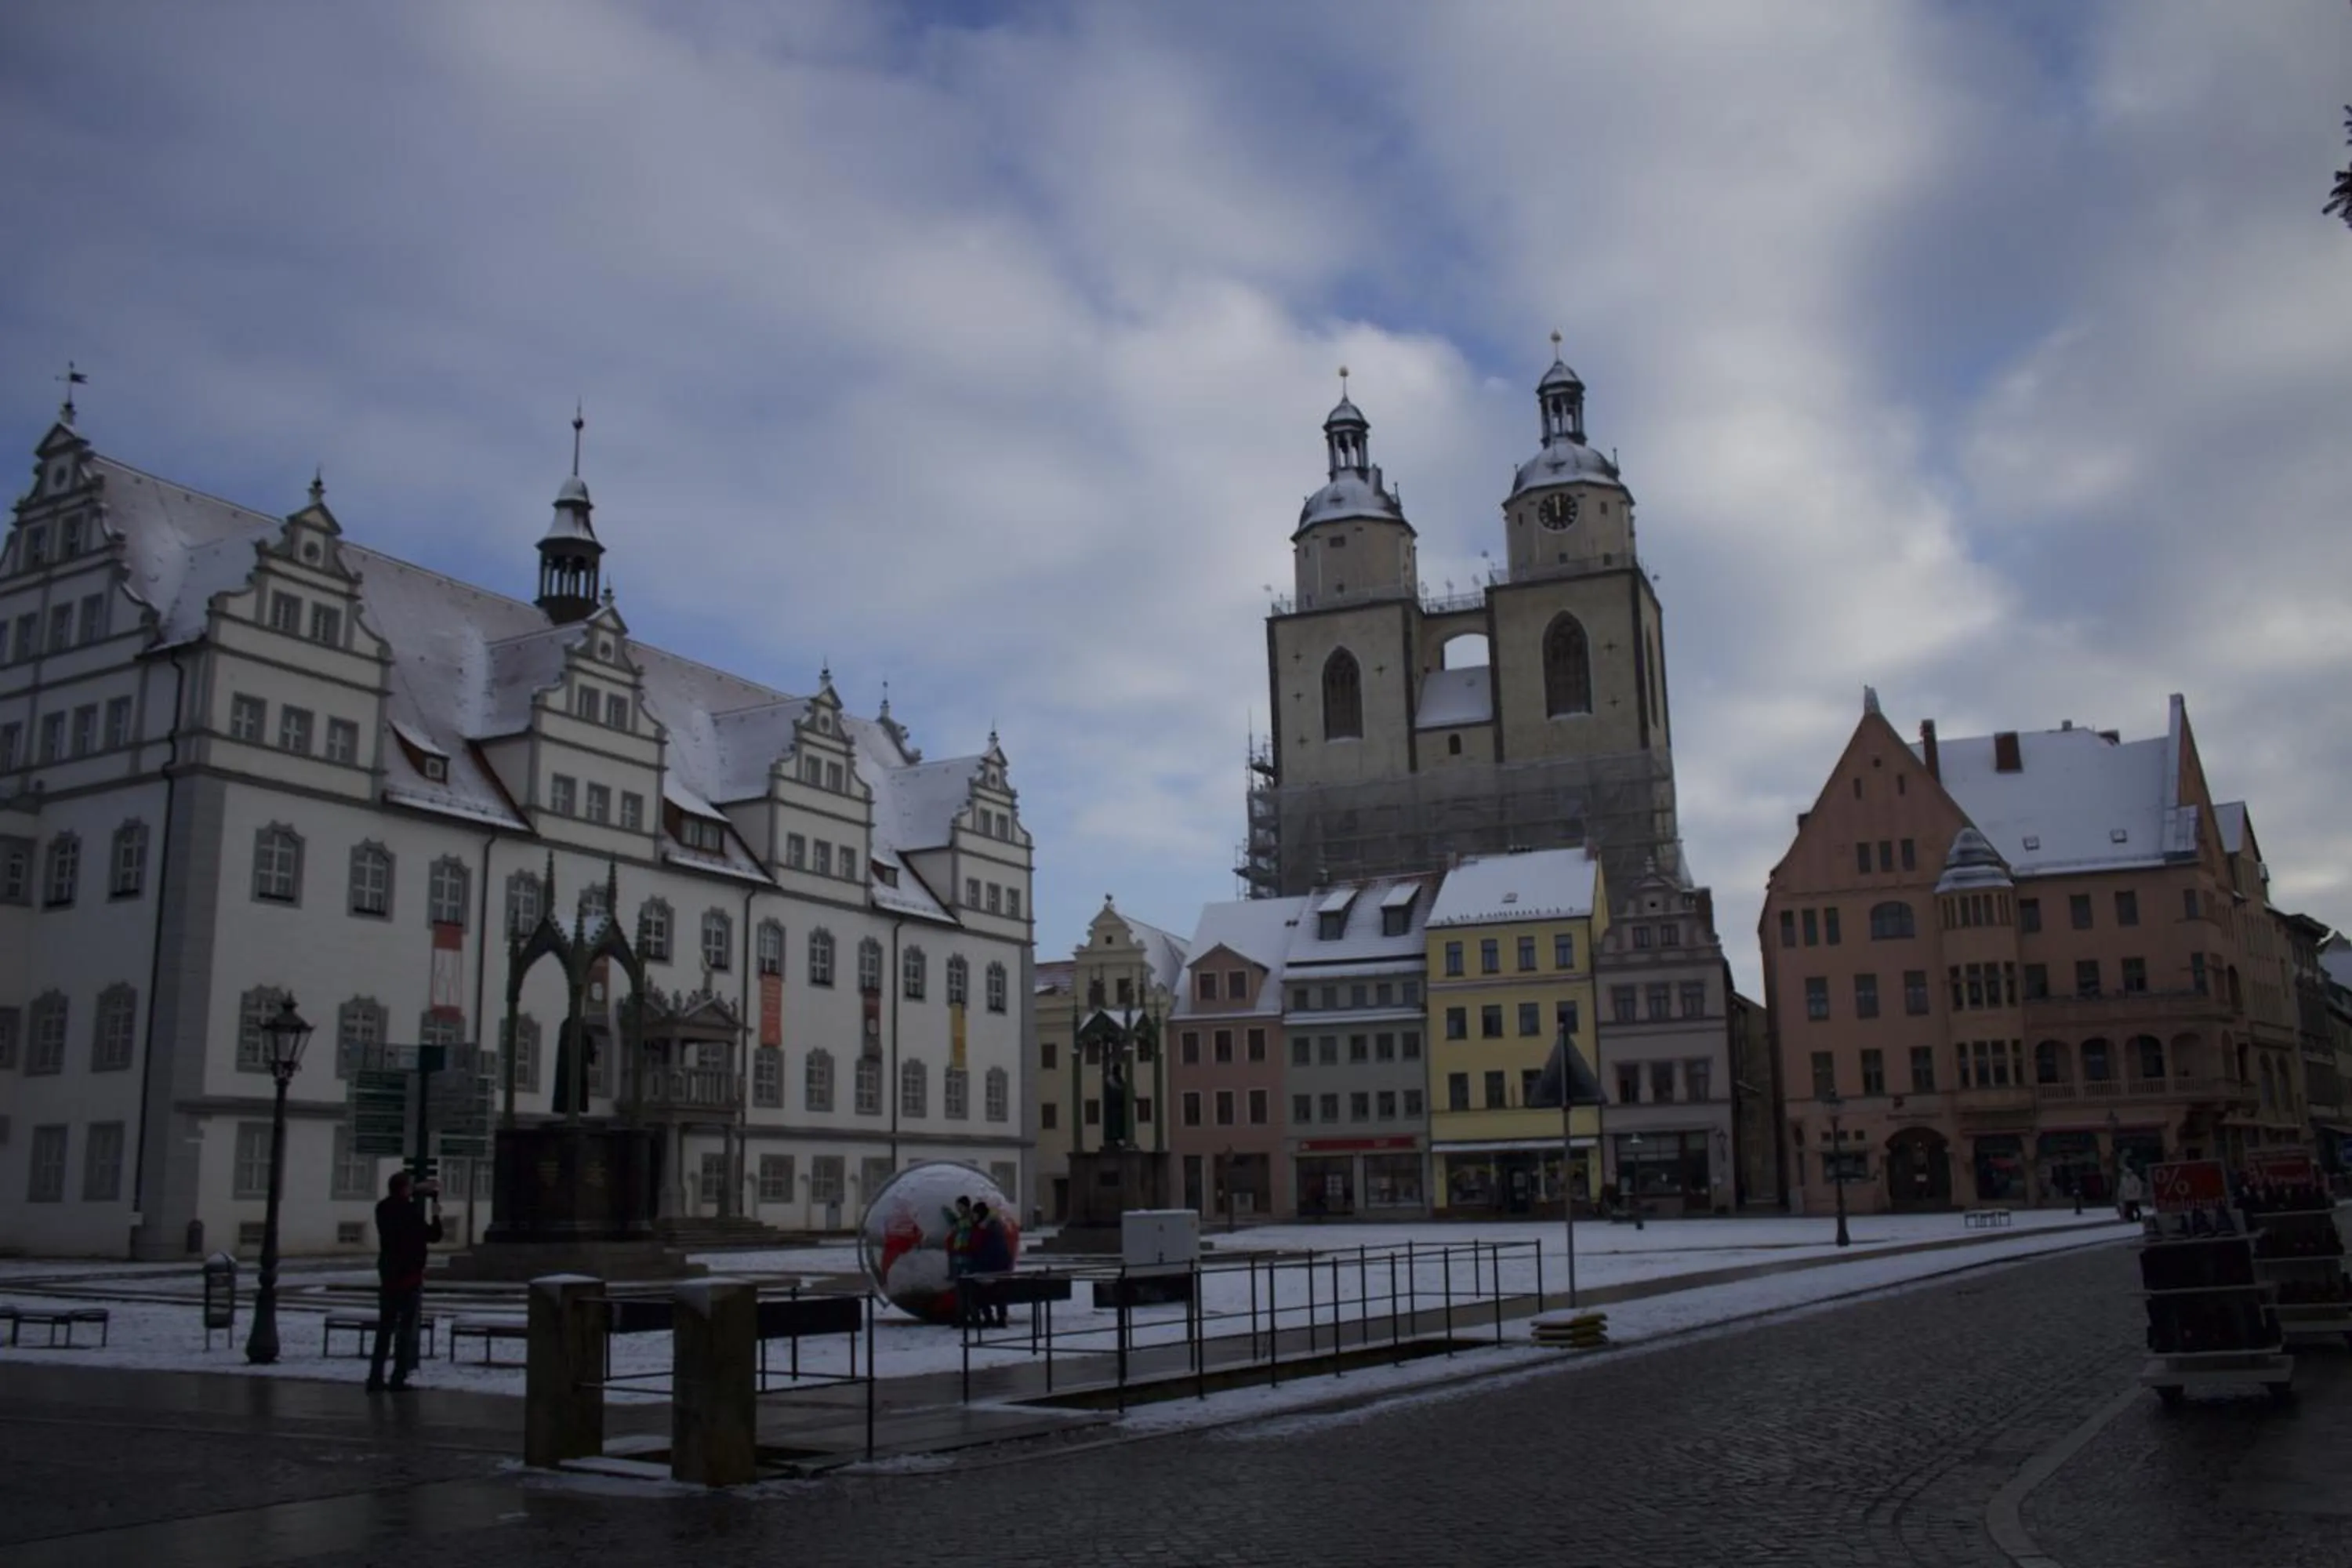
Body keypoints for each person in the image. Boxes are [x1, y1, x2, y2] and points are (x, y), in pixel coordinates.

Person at [368, 1170, 443, 1392]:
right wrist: (436, 1214)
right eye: (410, 1186)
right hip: (409, 1276)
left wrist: (416, 1189)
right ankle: (398, 1377)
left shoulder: (383, 1208)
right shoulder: (409, 1212)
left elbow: (403, 1196)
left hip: (389, 1274)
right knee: (404, 1330)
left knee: (385, 1328)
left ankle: (375, 1376)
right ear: (404, 1189)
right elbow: (433, 1235)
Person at [968, 1201, 1014, 1328]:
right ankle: (996, 1317)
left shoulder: (988, 1227)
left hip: (991, 1266)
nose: (973, 1216)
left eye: (975, 1213)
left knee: (988, 1292)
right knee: (994, 1293)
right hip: (995, 1265)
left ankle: (995, 1317)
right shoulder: (990, 1225)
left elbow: (990, 1248)